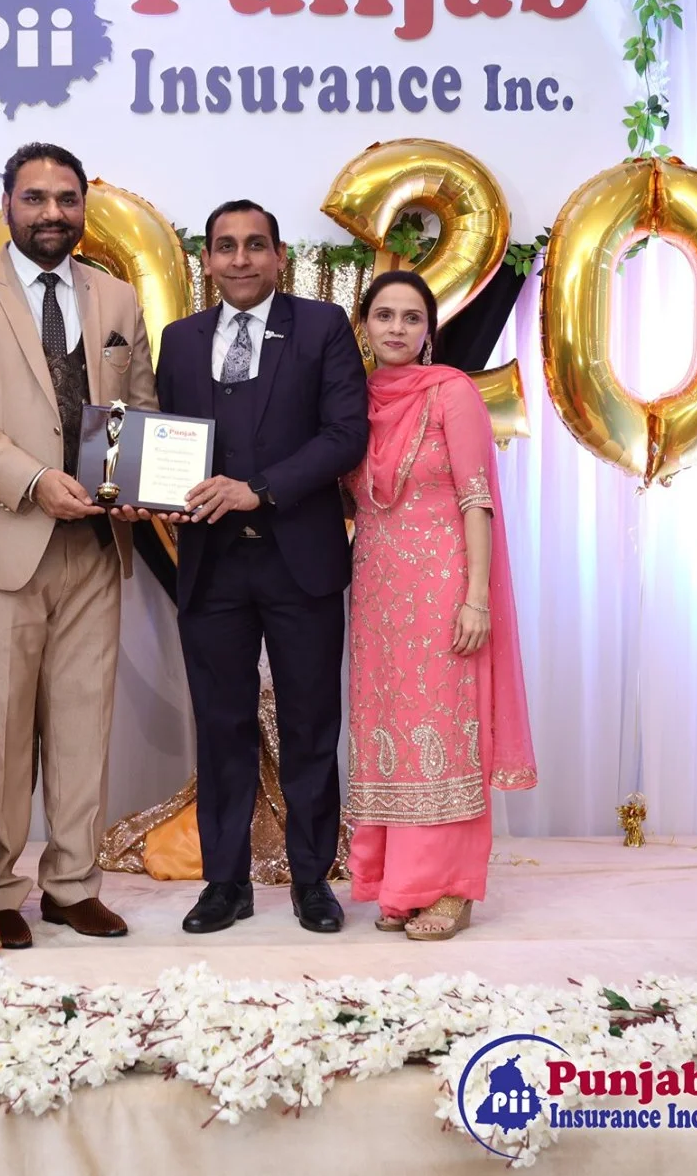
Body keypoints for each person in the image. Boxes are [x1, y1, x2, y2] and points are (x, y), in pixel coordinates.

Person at [0, 143, 157, 949]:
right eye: (35, 198)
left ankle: (73, 886)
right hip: (2, 542)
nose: (52, 212)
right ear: (7, 204)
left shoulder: (116, 297)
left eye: (66, 198)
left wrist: (140, 482)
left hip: (95, 547)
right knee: (0, 729)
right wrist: (31, 480)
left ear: (83, 205)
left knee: (86, 723)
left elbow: (138, 407)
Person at [156, 200, 368, 936]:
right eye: (225, 246)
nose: (240, 259)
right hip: (211, 564)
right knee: (221, 726)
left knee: (311, 724)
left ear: (280, 256)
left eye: (254, 245)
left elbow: (345, 434)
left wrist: (261, 488)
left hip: (299, 559)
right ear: (207, 260)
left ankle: (313, 879)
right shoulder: (180, 340)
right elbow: (170, 440)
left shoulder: (322, 327)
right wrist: (157, 491)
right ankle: (226, 883)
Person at [343, 270, 535, 942]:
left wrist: (476, 598)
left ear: (429, 330)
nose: (396, 327)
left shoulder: (452, 392)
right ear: (364, 325)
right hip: (377, 592)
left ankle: (452, 888)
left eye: (411, 317)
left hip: (444, 585)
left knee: (444, 732)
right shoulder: (354, 401)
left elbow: (476, 498)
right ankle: (402, 885)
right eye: (384, 315)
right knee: (388, 728)